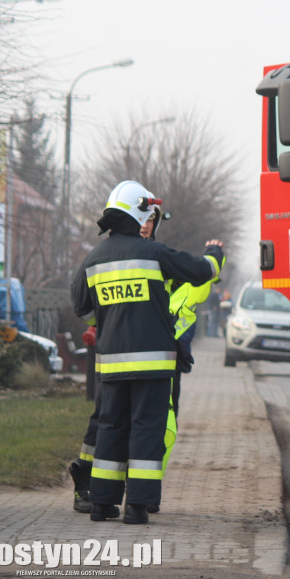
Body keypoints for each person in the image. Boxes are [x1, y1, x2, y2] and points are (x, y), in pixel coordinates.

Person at [71, 180, 224, 525]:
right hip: (153, 365)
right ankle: (137, 507)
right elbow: (201, 272)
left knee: (110, 429)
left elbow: (83, 307)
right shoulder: (154, 253)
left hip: (110, 367)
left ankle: (101, 504)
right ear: (139, 211)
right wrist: (215, 255)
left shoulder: (92, 259)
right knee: (146, 431)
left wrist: (110, 317)